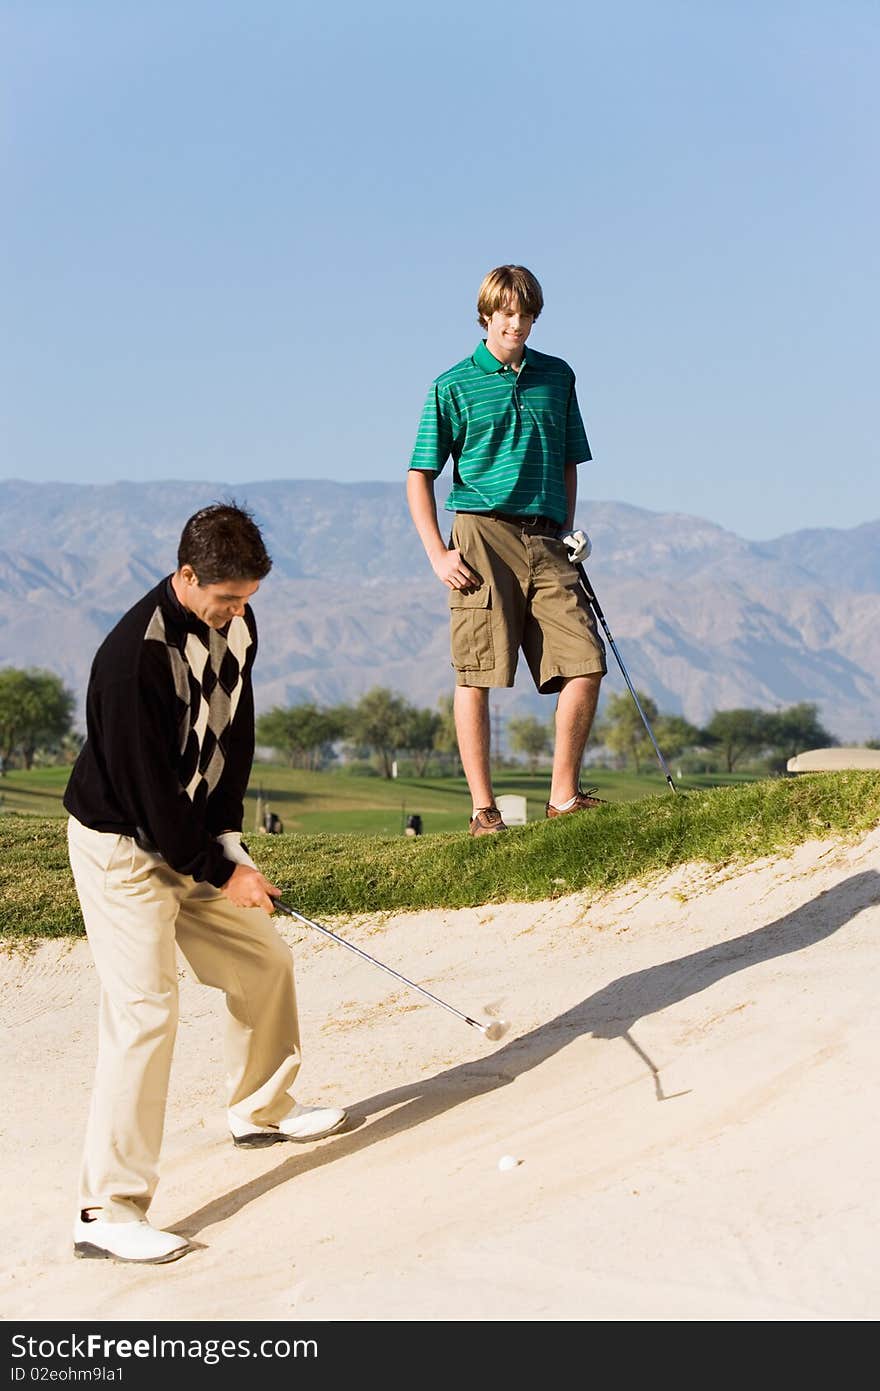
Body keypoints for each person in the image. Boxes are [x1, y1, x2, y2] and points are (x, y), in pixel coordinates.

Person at [63, 502, 347, 1265]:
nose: (235, 612)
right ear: (185, 575)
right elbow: (151, 796)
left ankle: (260, 1108)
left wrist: (228, 839)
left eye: (247, 598)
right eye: (225, 597)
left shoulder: (237, 626)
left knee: (265, 960)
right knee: (146, 1010)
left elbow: (234, 731)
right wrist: (222, 870)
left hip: (187, 834)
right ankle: (107, 1206)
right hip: (123, 850)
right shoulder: (132, 660)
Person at [406, 264, 607, 836]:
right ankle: (483, 811)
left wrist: (568, 527)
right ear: (487, 316)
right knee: (477, 672)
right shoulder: (451, 384)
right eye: (507, 314)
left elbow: (569, 460)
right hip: (480, 534)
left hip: (547, 537)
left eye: (526, 314)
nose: (517, 323)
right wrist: (437, 554)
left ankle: (563, 797)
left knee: (585, 663)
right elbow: (420, 475)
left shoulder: (558, 377)